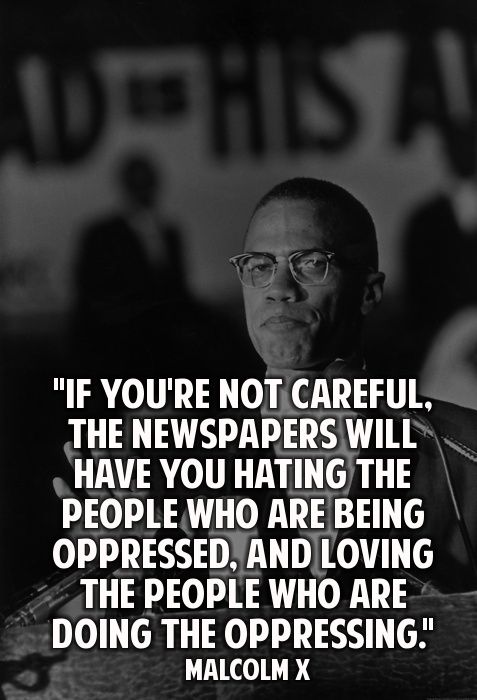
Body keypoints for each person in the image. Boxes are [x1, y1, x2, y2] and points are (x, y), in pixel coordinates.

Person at [228, 177, 477, 595]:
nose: (280, 290)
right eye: (259, 266)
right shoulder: (181, 456)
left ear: (368, 293)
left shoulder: (462, 451)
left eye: (310, 263)